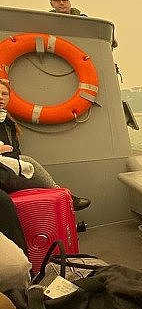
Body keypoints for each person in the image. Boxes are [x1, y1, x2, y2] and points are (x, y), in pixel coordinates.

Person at [0, 79, 91, 211]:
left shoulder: (9, 122)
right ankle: (64, 196)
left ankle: (62, 197)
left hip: (11, 166)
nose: (0, 97)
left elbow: (15, 150)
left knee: (27, 163)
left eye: (4, 94)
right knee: (28, 163)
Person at [48, 0, 118, 48]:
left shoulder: (84, 20)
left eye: (64, 0)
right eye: (57, 0)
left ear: (69, 3)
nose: (61, 3)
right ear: (51, 4)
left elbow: (109, 41)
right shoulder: (48, 21)